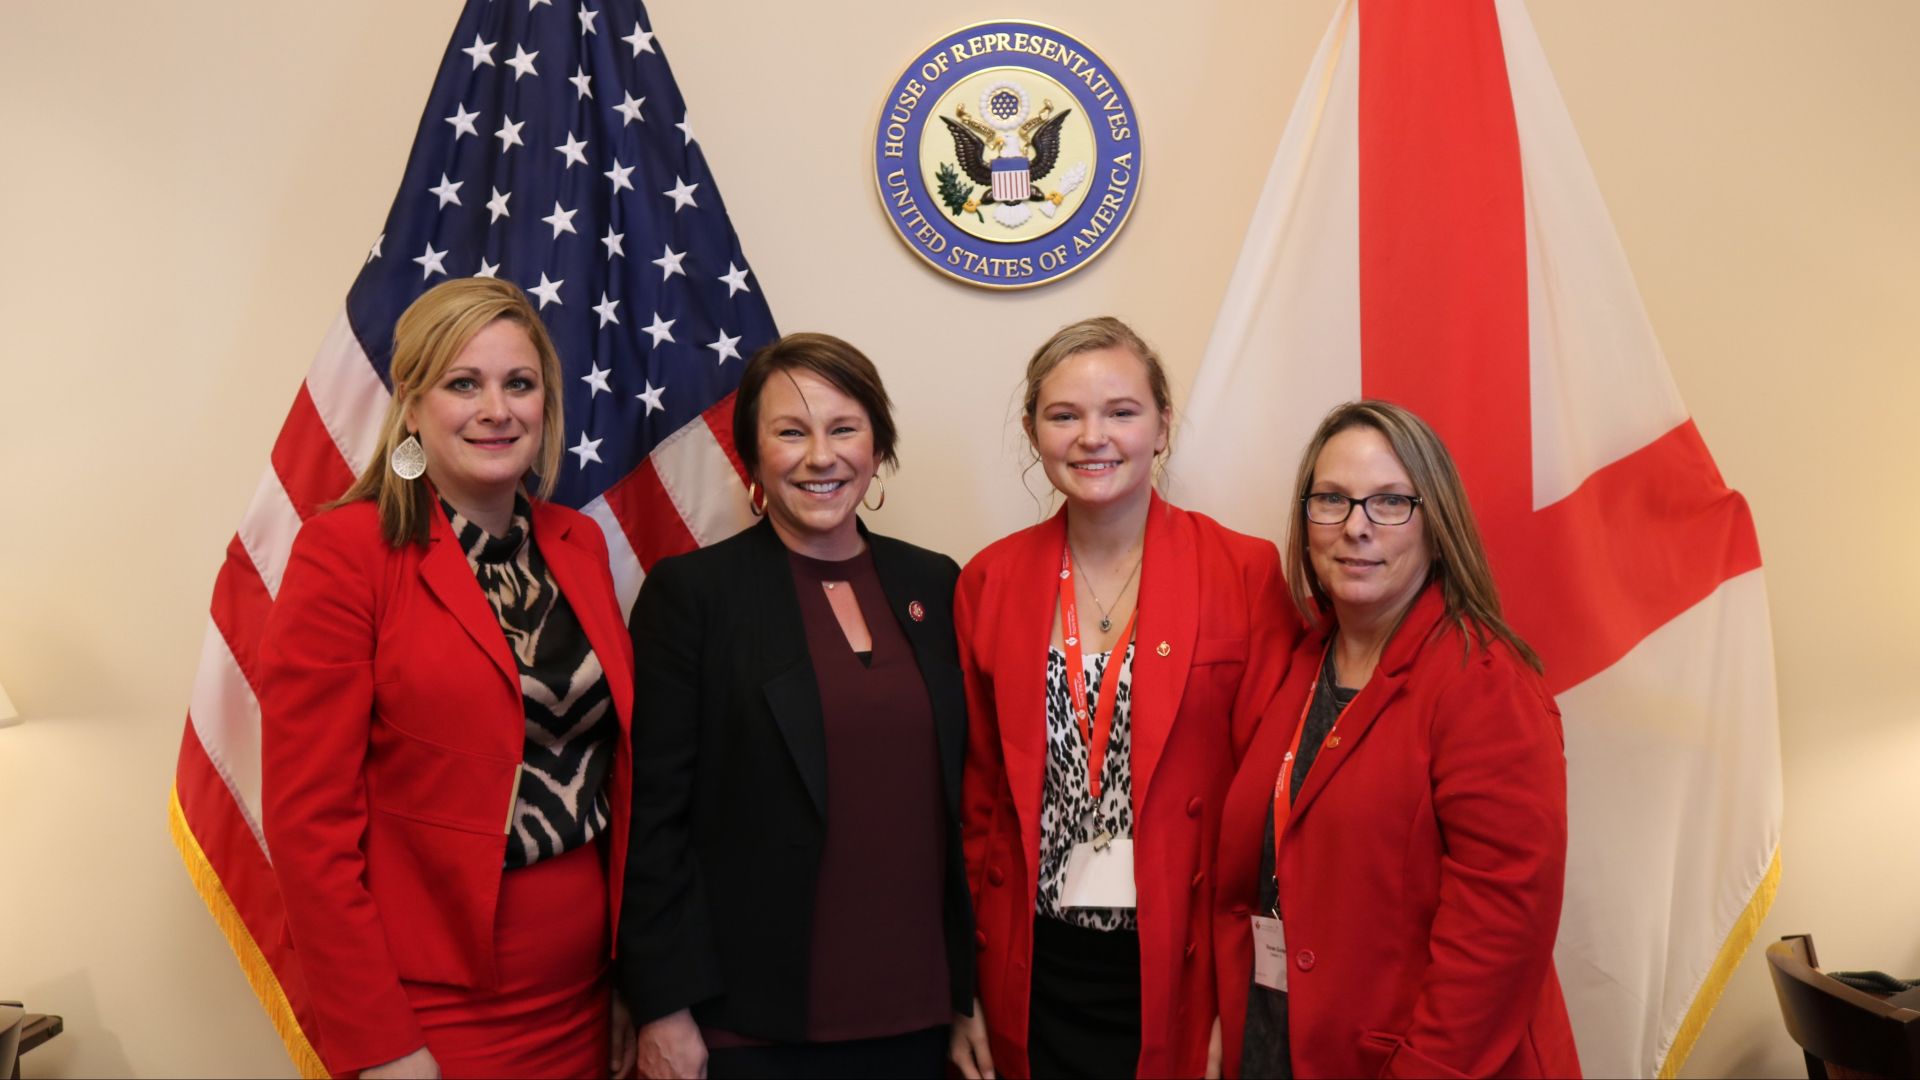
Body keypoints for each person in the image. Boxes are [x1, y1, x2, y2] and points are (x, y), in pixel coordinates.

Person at [258, 276, 637, 1078]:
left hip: (588, 993)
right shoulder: (345, 555)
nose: (496, 409)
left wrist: (635, 979)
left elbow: (611, 774)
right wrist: (383, 1043)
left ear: (546, 403)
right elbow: (307, 826)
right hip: (434, 1008)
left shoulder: (579, 546)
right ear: (412, 405)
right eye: (464, 384)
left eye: (518, 384)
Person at [617, 333, 974, 1079]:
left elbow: (967, 805)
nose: (820, 457)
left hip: (919, 1012)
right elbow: (650, 820)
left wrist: (968, 998)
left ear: (877, 446)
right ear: (752, 453)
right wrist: (663, 1004)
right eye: (790, 431)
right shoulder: (694, 597)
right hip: (749, 1025)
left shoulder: (937, 584)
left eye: (844, 428)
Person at [950, 317, 1297, 1079]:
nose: (1092, 437)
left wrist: (1242, 998)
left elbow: (1270, 811)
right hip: (1030, 961)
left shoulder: (1242, 572)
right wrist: (961, 988)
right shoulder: (989, 580)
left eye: (1121, 412)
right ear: (1032, 431)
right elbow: (974, 801)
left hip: (1185, 960)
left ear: (1163, 426)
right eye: (1064, 415)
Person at [1213, 400, 1581, 1078]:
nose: (1356, 527)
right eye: (1332, 499)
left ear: (1436, 525)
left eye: (1389, 502)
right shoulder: (1300, 659)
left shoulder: (1484, 683)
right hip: (1280, 1044)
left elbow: (1499, 938)